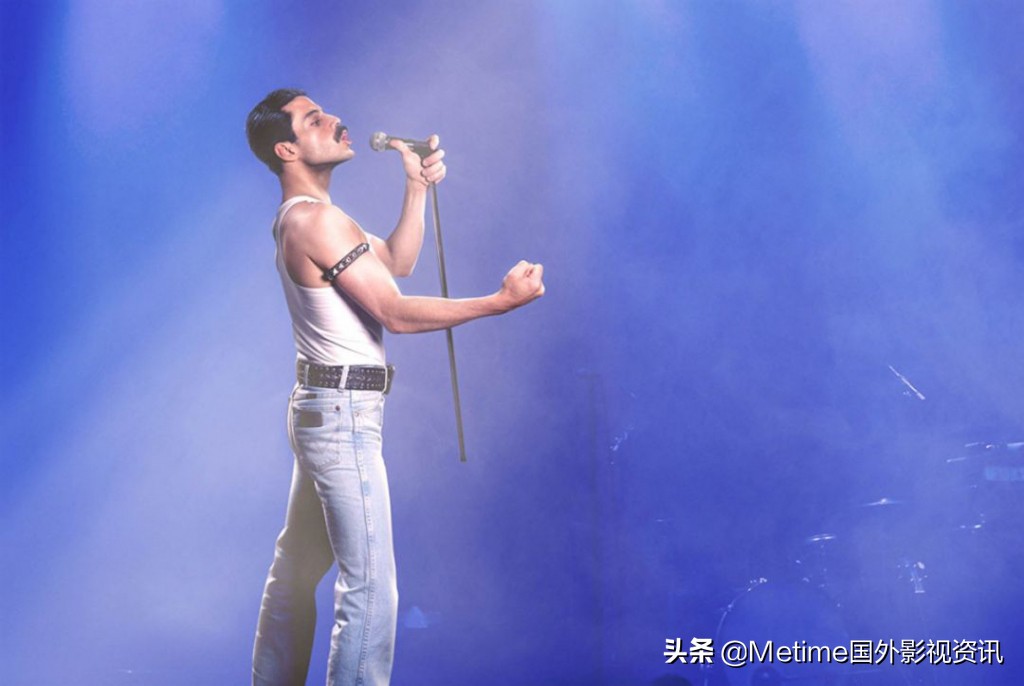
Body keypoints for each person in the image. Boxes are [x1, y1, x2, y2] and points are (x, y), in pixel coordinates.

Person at [245, 88, 544, 686]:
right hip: (342, 415)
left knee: (296, 570)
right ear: (287, 149)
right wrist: (498, 302)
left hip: (327, 409)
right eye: (314, 120)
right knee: (370, 588)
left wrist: (415, 187)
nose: (336, 120)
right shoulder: (315, 221)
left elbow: (397, 263)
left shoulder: (317, 216)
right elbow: (396, 312)